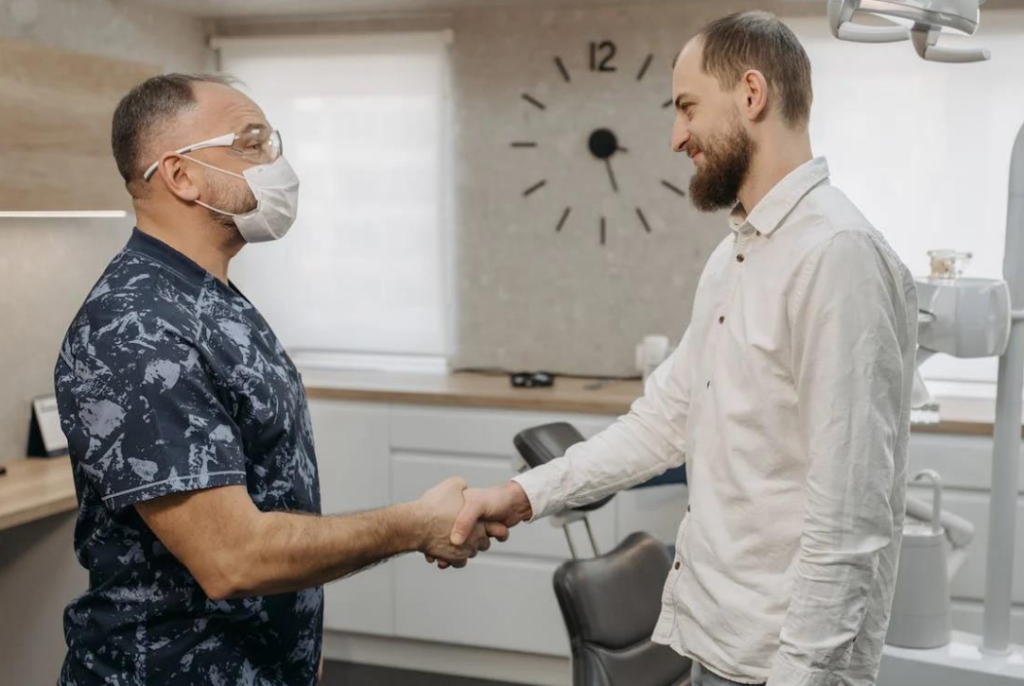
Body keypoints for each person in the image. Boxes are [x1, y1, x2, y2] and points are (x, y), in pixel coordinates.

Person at [447, 11, 918, 686]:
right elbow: (663, 423)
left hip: (782, 665)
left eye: (687, 108)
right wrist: (522, 495)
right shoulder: (735, 259)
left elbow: (849, 521)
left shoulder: (836, 256)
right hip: (713, 647)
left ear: (751, 95)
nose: (676, 137)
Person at [54, 73, 505, 686]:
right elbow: (231, 557)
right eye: (251, 143)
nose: (277, 164)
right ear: (180, 175)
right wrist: (413, 524)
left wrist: (297, 645)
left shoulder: (208, 298)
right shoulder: (135, 328)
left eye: (274, 143)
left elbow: (269, 496)